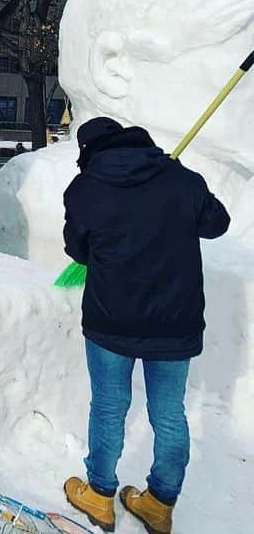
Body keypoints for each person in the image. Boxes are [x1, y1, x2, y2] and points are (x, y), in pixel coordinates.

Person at [61, 117, 230, 534]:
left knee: (108, 408)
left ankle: (99, 496)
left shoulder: (84, 190)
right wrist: (184, 192)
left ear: (88, 152)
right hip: (176, 322)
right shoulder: (181, 179)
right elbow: (217, 223)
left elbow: (77, 250)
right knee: (169, 414)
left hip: (110, 320)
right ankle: (159, 503)